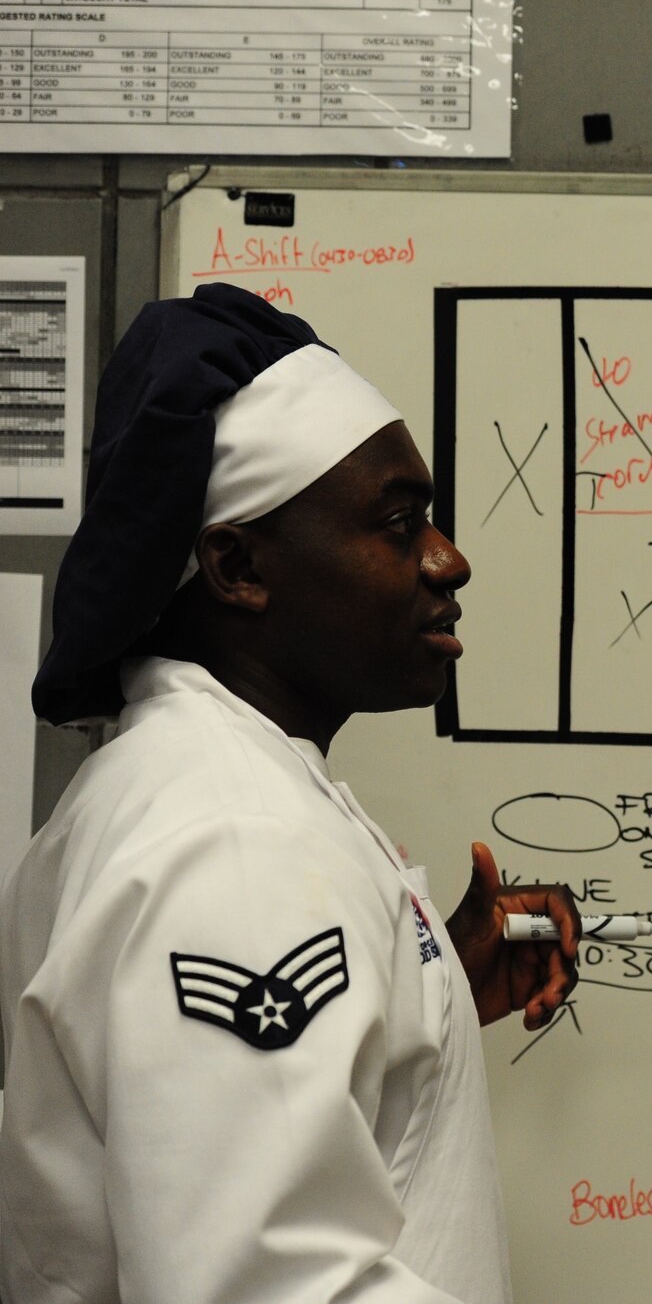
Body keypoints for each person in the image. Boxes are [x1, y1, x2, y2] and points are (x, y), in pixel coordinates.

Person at [0, 283, 580, 1302]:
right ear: (237, 565)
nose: (449, 560)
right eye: (398, 524)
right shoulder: (231, 839)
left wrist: (431, 984)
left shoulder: (191, 787)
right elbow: (262, 1282)